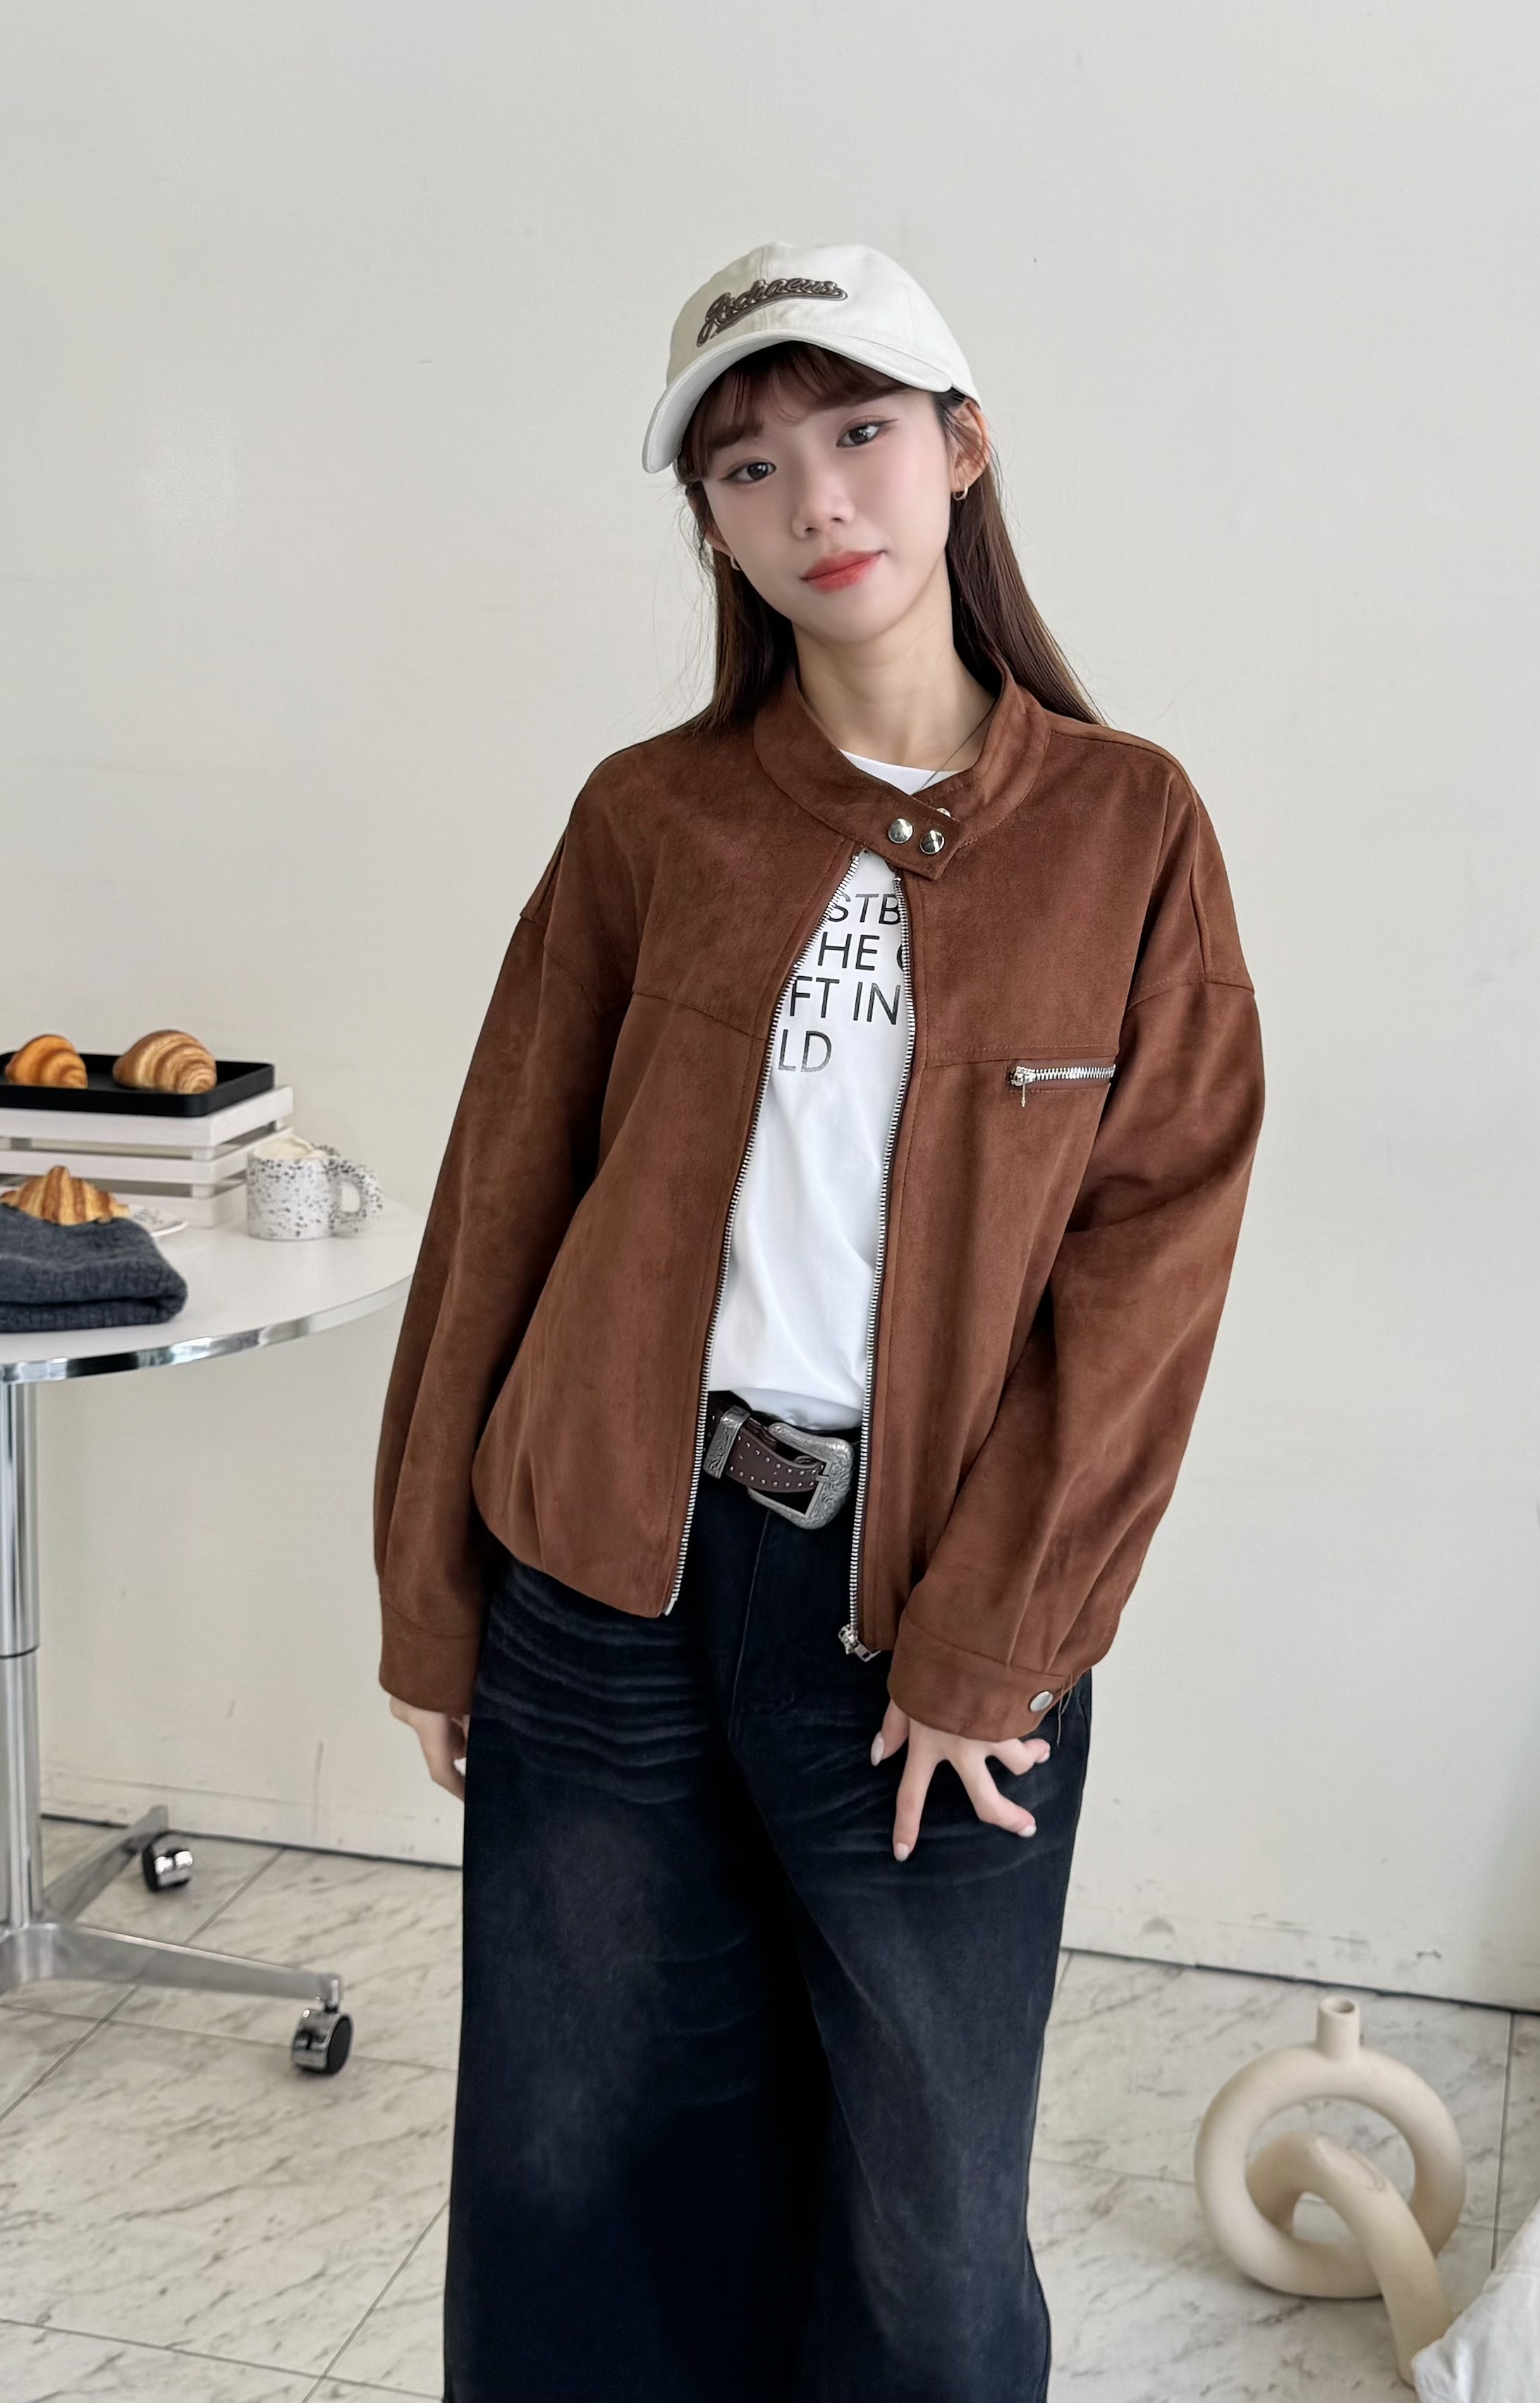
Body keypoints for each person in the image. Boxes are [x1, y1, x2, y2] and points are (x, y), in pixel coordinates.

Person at [374, 241, 1265, 2403]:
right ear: (709, 521)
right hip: (603, 1576)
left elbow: (1147, 1262)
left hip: (916, 1611)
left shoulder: (1125, 825)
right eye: (748, 464)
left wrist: (998, 1636)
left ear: (960, 448)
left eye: (858, 431)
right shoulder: (651, 818)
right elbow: (502, 1204)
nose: (815, 501)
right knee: (580, 2168)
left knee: (924, 2219)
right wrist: (431, 1598)